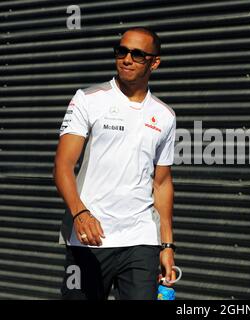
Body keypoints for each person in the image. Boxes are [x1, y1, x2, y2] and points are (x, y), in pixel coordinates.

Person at [53, 26, 177, 300]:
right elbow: (63, 165)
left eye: (137, 54)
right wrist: (79, 213)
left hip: (141, 240)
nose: (127, 59)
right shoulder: (88, 99)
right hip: (89, 239)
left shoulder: (165, 115)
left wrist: (167, 244)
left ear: (154, 62)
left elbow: (162, 182)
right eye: (121, 51)